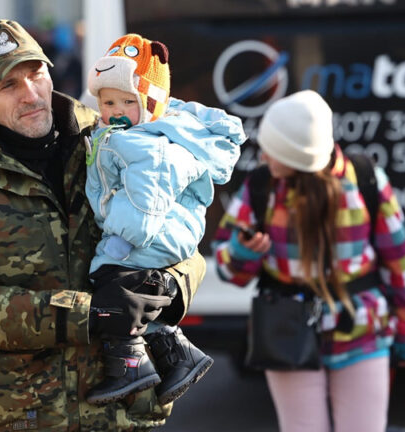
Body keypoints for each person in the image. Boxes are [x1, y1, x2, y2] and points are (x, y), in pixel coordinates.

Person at [0, 20, 207, 432]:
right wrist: (91, 314)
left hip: (122, 413)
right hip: (17, 417)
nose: (30, 93)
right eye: (8, 85)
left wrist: (171, 286)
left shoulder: (106, 141)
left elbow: (183, 235)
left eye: (36, 74)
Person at [213, 90, 405, 432]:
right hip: (286, 333)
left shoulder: (364, 179)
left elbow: (399, 262)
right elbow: (227, 270)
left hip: (362, 332)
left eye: (273, 149)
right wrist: (243, 252)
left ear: (296, 156)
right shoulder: (261, 188)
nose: (264, 156)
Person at [83, 33, 246, 405]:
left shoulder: (147, 144)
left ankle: (129, 364)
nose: (116, 110)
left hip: (149, 231)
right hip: (158, 229)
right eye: (108, 102)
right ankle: (177, 353)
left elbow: (146, 197)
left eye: (129, 101)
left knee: (112, 285)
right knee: (135, 293)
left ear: (151, 103)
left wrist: (122, 240)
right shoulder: (127, 133)